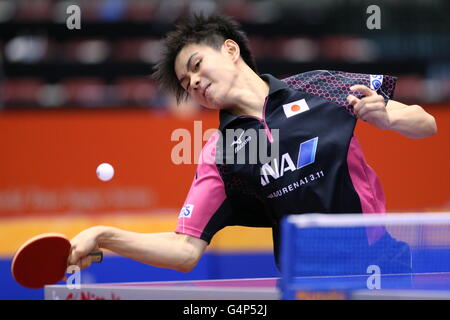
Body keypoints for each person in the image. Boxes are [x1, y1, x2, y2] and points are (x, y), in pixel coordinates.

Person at [68, 14, 436, 274]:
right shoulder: (221, 152)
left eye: (196, 65)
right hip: (307, 282)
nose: (193, 82)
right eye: (185, 82)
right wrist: (105, 236)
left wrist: (388, 117)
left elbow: (426, 123)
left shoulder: (317, 86)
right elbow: (184, 251)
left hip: (382, 265)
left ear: (230, 50)